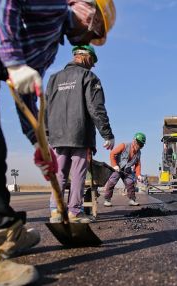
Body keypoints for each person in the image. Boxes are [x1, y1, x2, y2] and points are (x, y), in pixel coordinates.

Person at [0, 0, 116, 285]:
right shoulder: (53, 4)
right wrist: (14, 62)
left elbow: (26, 93)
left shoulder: (51, 44)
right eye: (96, 27)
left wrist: (39, 143)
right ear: (83, 6)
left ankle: (7, 228)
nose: (91, 37)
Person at [46, 45, 114, 223]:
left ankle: (56, 211)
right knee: (78, 174)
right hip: (80, 133)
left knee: (59, 172)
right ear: (85, 57)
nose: (92, 66)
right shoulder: (88, 77)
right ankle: (74, 212)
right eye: (92, 61)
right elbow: (96, 108)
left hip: (57, 135)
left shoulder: (53, 79)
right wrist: (107, 134)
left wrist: (47, 133)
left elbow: (46, 108)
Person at [103, 133, 146, 207]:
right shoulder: (124, 145)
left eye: (141, 145)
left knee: (130, 182)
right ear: (135, 141)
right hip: (117, 168)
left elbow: (138, 164)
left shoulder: (138, 153)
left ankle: (132, 200)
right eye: (139, 144)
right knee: (112, 181)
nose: (139, 146)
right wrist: (114, 165)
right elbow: (112, 153)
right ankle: (107, 200)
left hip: (127, 170)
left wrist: (138, 175)